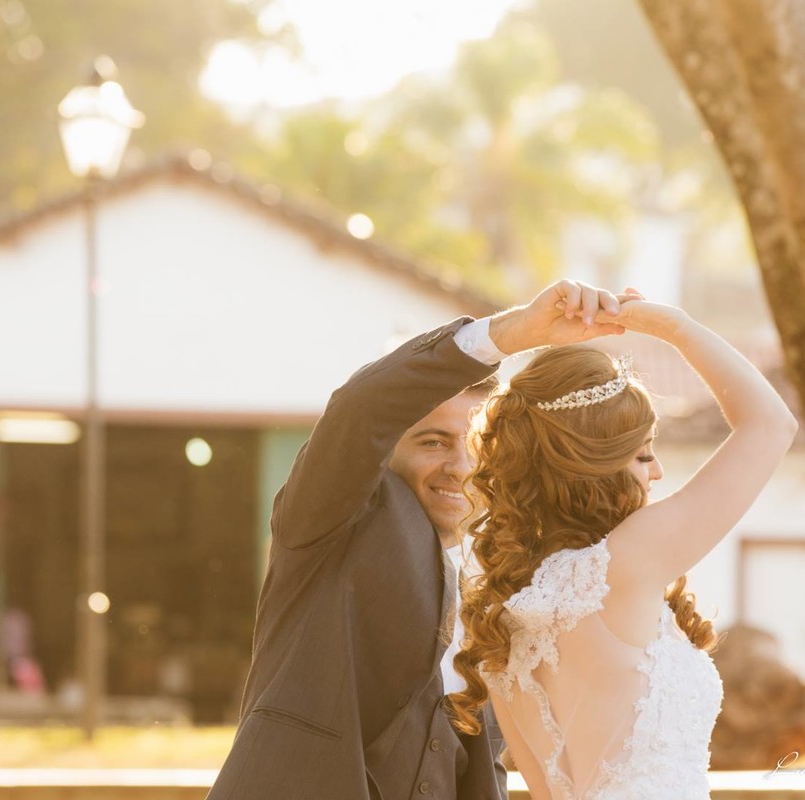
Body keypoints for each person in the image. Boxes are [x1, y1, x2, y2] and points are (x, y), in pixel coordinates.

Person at [209, 281, 635, 800]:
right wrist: (514, 332)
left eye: (474, 446)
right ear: (383, 450)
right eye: (433, 442)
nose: (459, 467)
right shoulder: (329, 523)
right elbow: (359, 412)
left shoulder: (497, 577)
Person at [448, 291, 799, 799]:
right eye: (642, 455)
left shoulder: (503, 618)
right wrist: (674, 326)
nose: (656, 472)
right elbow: (771, 424)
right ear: (593, 468)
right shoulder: (622, 564)